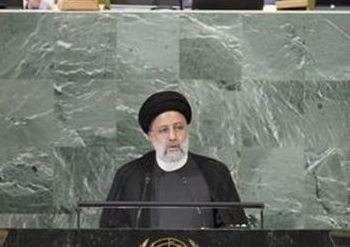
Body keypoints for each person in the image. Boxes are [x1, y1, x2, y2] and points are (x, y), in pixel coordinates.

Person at [99, 91, 248, 229]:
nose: (173, 137)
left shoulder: (215, 172)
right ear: (151, 136)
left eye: (178, 128)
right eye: (164, 130)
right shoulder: (129, 176)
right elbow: (110, 236)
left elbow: (236, 234)